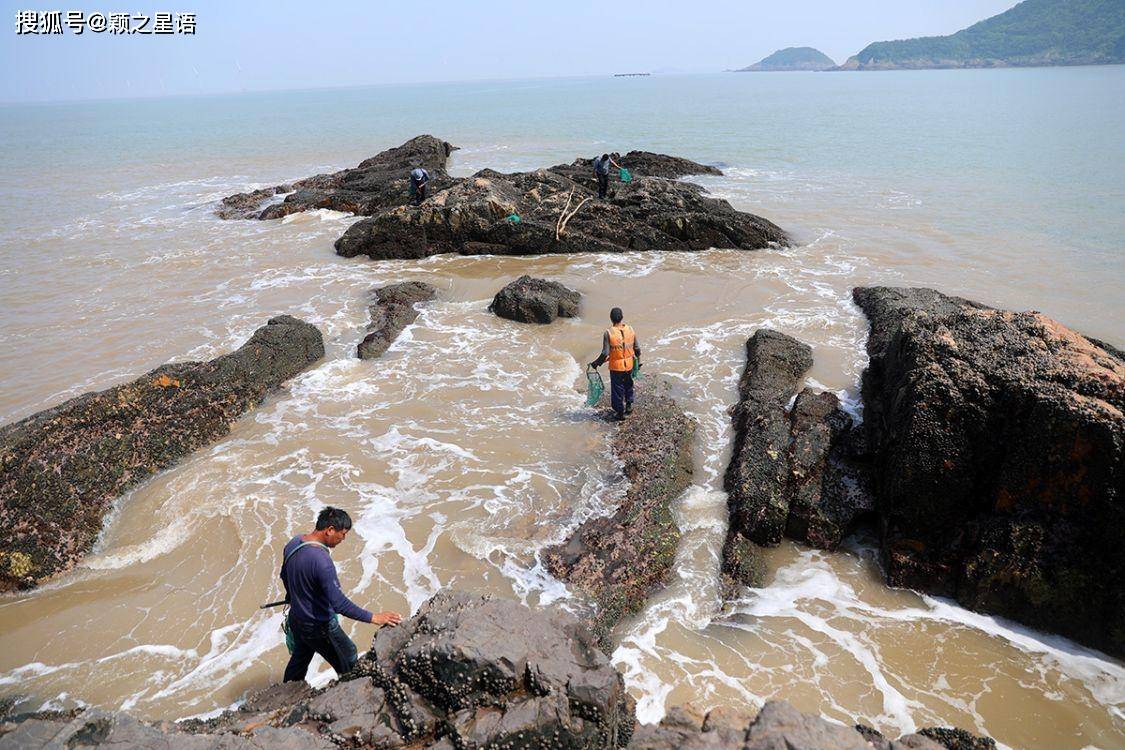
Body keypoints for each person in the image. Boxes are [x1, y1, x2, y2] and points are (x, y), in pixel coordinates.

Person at [280, 506, 402, 682]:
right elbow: (339, 604)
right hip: (318, 626)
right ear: (330, 530)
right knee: (348, 654)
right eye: (343, 534)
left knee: (300, 659)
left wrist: (297, 596)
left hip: (297, 619)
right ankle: (350, 691)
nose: (343, 539)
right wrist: (375, 617)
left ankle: (285, 694)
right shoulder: (322, 561)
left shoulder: (293, 543)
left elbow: (284, 576)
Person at [589, 307, 641, 420]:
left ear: (611, 318)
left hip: (617, 368)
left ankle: (620, 413)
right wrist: (639, 361)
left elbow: (605, 353)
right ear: (622, 317)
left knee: (617, 389)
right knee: (628, 385)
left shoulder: (608, 333)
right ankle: (629, 405)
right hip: (629, 365)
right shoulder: (630, 329)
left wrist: (596, 363)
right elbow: (637, 348)